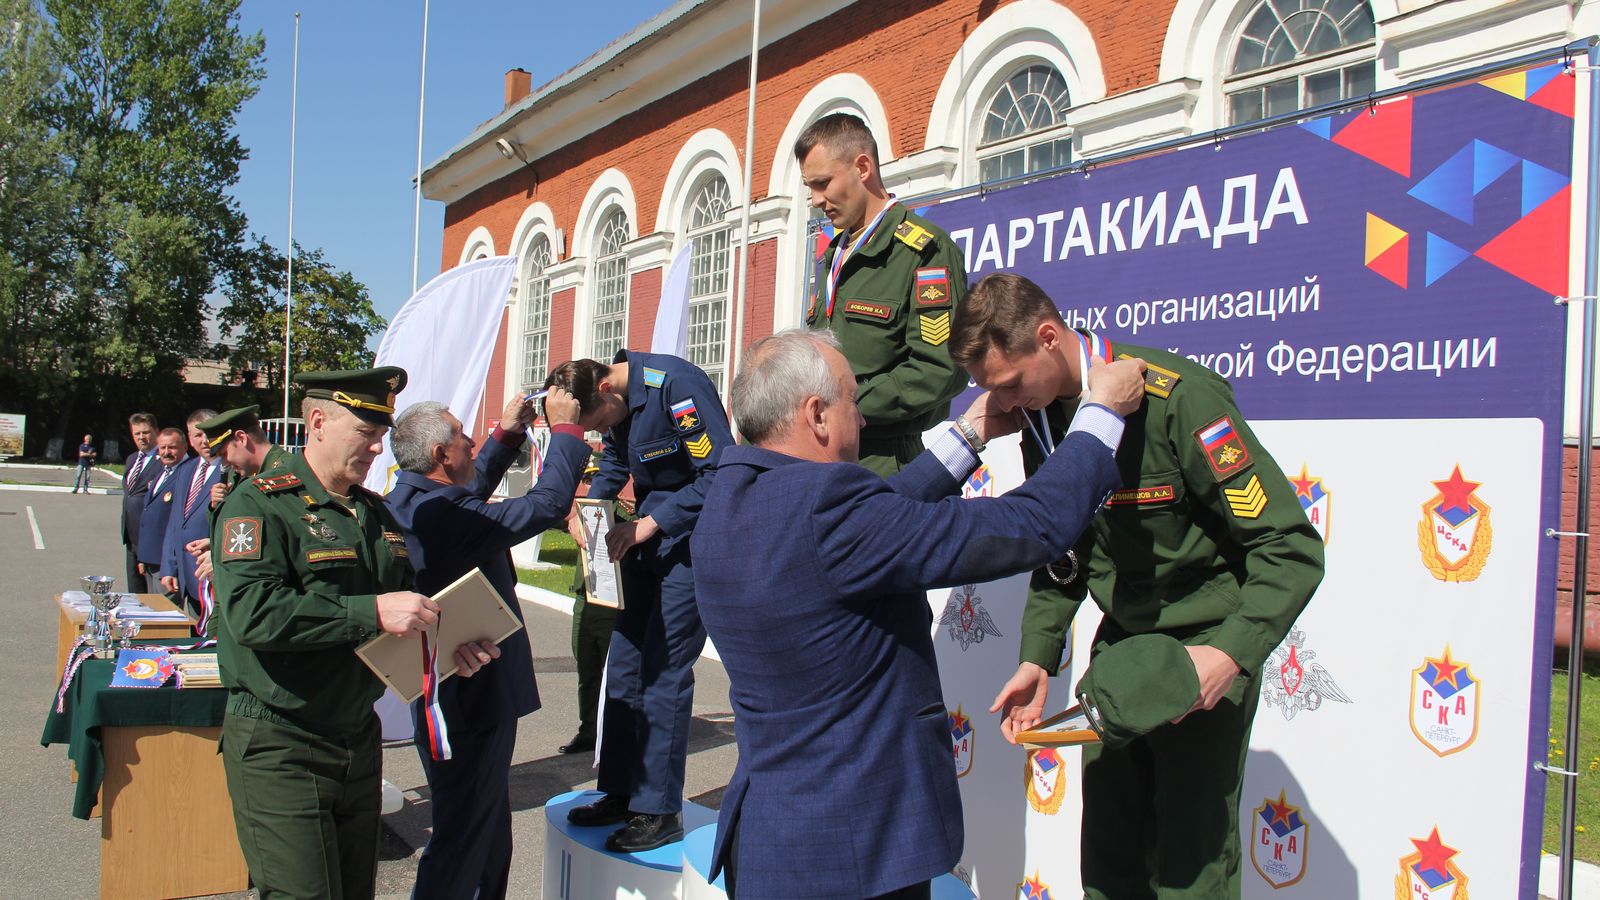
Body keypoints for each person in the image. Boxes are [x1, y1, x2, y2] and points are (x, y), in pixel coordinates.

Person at [691, 329, 1145, 899]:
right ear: (817, 415)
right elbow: (1031, 526)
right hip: (857, 853)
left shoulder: (729, 500)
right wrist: (1102, 414)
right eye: (852, 400)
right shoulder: (829, 512)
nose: (862, 418)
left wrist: (970, 435)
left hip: (772, 841)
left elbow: (882, 518)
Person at [950, 273, 1325, 899]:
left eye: (1010, 382)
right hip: (1123, 657)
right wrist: (1037, 657)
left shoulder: (1179, 400)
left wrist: (1228, 655)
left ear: (1049, 337)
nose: (1006, 403)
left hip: (1202, 653)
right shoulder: (1048, 419)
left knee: (1191, 870)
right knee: (1110, 860)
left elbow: (1288, 548)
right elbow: (1064, 546)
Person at [211, 367, 463, 900]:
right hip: (281, 737)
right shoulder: (257, 504)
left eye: (381, 434)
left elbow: (403, 610)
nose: (377, 447)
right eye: (366, 432)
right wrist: (372, 611)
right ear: (319, 423)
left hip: (356, 736)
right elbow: (251, 613)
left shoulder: (375, 513)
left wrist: (451, 647)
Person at [383, 387, 590, 900]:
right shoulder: (445, 516)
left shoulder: (410, 499)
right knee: (464, 835)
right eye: (462, 436)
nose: (471, 441)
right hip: (471, 694)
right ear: (440, 453)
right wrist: (567, 429)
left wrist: (507, 434)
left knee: (486, 826)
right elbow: (545, 505)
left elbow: (464, 492)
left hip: (452, 686)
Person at [547, 349, 732, 853]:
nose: (602, 431)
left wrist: (652, 522)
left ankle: (658, 809)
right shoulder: (616, 403)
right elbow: (613, 460)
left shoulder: (676, 386)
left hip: (686, 542)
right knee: (625, 667)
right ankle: (620, 791)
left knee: (662, 672)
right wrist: (588, 507)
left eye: (599, 422)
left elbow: (719, 472)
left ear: (605, 389)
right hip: (641, 544)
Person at [797, 112, 969, 476]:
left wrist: (844, 406)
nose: (815, 200)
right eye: (809, 187)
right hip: (821, 456)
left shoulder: (922, 252)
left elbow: (939, 369)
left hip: (883, 463)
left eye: (823, 183)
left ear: (862, 167)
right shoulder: (833, 255)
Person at [187, 405, 287, 626]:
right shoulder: (240, 475)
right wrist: (216, 539)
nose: (223, 463)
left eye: (224, 454)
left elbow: (283, 544)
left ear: (241, 438)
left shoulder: (284, 473)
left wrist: (221, 560)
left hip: (263, 610)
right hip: (233, 600)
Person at [558, 457, 622, 757]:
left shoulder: (620, 513)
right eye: (586, 479)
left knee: (613, 672)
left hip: (610, 603)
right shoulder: (577, 514)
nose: (591, 485)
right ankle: (588, 730)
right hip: (584, 598)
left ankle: (613, 733)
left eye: (596, 478)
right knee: (586, 668)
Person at [158, 410, 221, 617]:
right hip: (186, 576)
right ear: (190, 439)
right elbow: (175, 523)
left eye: (208, 433)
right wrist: (169, 567)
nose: (204, 440)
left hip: (213, 577)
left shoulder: (231, 470)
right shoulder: (185, 469)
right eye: (198, 435)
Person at [134, 427, 186, 594]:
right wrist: (143, 556)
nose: (166, 452)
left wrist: (171, 566)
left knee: (166, 608)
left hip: (167, 564)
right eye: (162, 448)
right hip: (151, 559)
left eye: (172, 447)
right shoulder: (162, 472)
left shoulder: (187, 473)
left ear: (185, 447)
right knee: (153, 607)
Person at [120, 413, 161, 591]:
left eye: (146, 432)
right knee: (134, 591)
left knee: (152, 593)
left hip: (150, 537)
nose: (141, 437)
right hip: (131, 537)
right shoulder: (131, 459)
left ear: (156, 432)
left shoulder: (164, 460)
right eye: (137, 433)